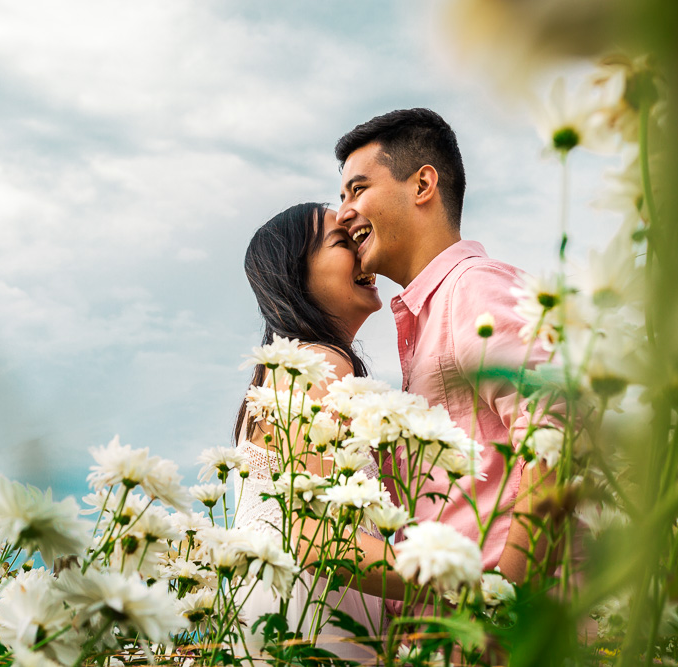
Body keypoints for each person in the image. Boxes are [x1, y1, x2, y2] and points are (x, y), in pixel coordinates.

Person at [334, 108, 554, 586]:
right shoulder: (427, 316)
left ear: (422, 185)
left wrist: (509, 606)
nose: (343, 212)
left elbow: (557, 446)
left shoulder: (475, 291)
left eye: (358, 188)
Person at [233, 202, 403, 662]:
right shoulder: (319, 363)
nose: (362, 250)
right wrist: (459, 582)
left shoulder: (284, 371)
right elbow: (313, 533)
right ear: (296, 276)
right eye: (342, 242)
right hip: (310, 621)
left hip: (286, 609)